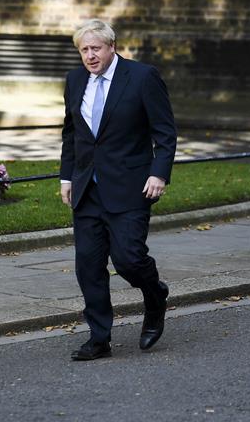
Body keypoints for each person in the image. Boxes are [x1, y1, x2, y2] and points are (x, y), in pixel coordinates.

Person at [60, 19, 177, 361]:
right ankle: (99, 339)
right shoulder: (75, 79)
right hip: (87, 189)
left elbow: (165, 132)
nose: (90, 56)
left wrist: (159, 174)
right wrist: (66, 177)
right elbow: (72, 134)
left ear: (112, 47)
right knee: (89, 266)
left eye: (96, 48)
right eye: (84, 49)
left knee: (128, 260)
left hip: (131, 187)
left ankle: (155, 295)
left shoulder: (142, 77)